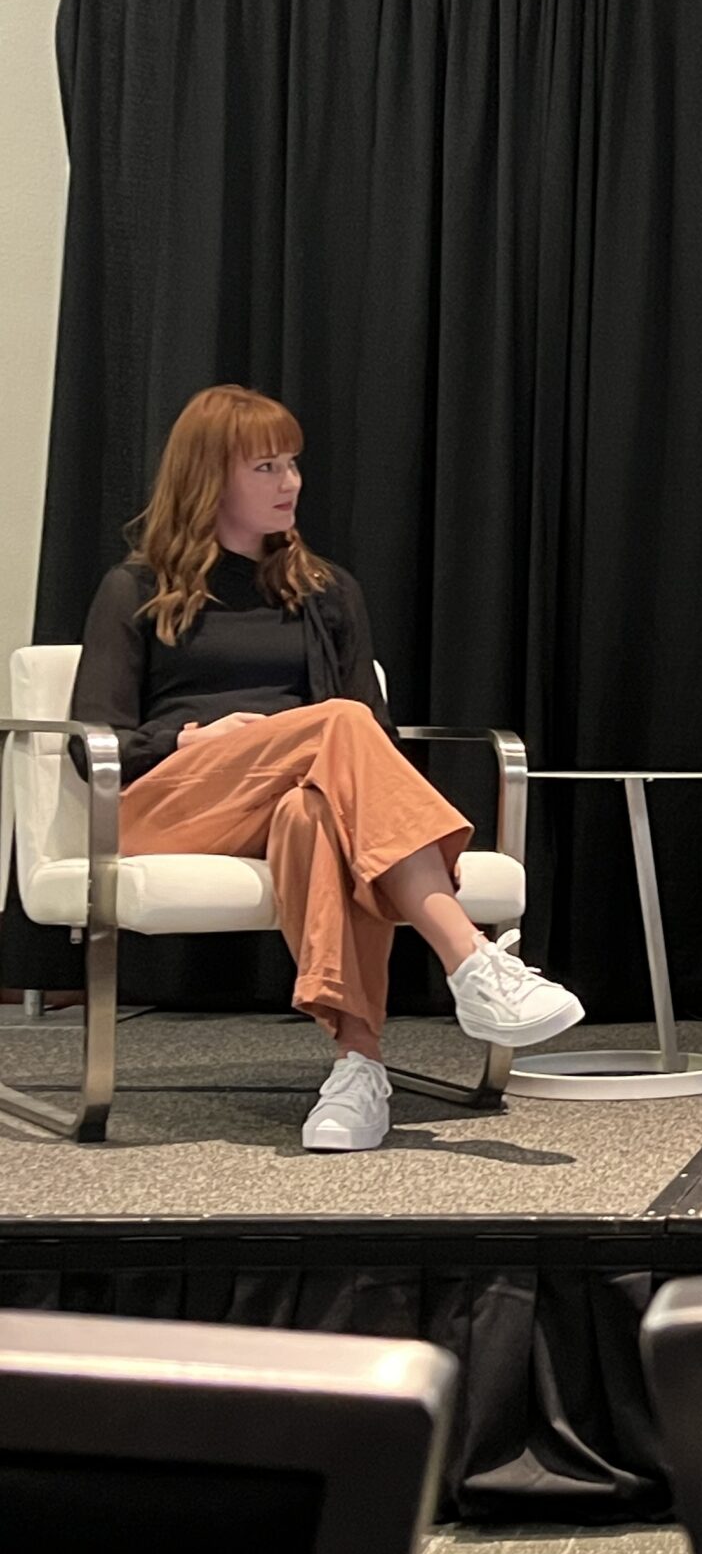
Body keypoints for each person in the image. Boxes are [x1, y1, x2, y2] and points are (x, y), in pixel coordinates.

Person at [70, 385, 586, 1153]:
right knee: (338, 725)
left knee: (318, 812)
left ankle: (357, 1073)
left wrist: (291, 743)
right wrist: (197, 739)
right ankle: (469, 956)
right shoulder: (137, 589)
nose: (291, 483)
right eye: (267, 467)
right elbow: (95, 741)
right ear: (208, 478)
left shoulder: (324, 592)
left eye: (294, 465)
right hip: (167, 805)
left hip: (286, 796)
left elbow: (367, 740)